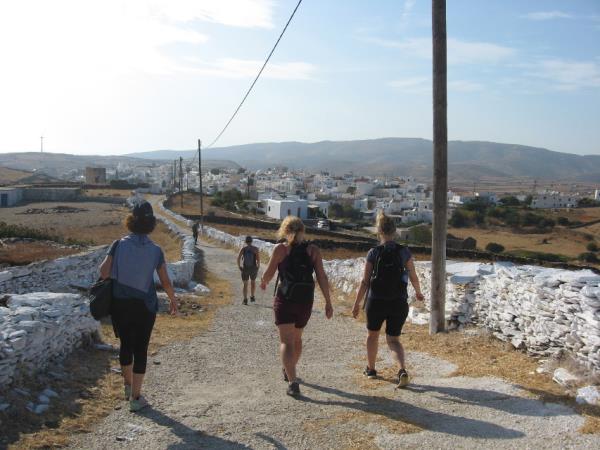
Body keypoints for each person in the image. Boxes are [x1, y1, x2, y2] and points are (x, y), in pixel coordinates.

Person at [99, 201, 178, 412]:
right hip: (145, 306)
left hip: (120, 304)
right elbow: (165, 281)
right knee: (141, 348)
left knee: (126, 344)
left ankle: (126, 386)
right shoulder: (156, 251)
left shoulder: (118, 244)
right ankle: (136, 397)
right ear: (151, 223)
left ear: (130, 221)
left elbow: (104, 272)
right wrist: (173, 299)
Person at [260, 216, 333, 397]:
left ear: (284, 231)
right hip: (305, 302)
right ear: (303, 231)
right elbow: (322, 277)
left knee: (286, 341)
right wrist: (328, 303)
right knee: (297, 339)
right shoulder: (313, 250)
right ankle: (290, 369)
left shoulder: (280, 249)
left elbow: (268, 274)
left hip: (285, 300)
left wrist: (263, 282)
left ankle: (293, 381)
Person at [352, 211, 424, 388]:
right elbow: (413, 276)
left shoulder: (373, 253)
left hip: (376, 301)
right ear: (395, 231)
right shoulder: (404, 252)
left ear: (379, 232)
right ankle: (402, 370)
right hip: (398, 301)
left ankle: (371, 369)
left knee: (372, 335)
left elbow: (365, 281)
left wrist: (356, 304)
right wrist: (418, 292)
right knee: (394, 340)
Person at [237, 236, 260, 305]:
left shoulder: (243, 249)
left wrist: (239, 266)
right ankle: (252, 296)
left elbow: (238, 259)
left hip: (245, 268)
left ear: (246, 241)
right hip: (253, 268)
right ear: (251, 241)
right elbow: (258, 259)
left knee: (245, 284)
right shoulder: (255, 249)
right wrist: (258, 267)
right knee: (253, 282)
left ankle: (245, 300)